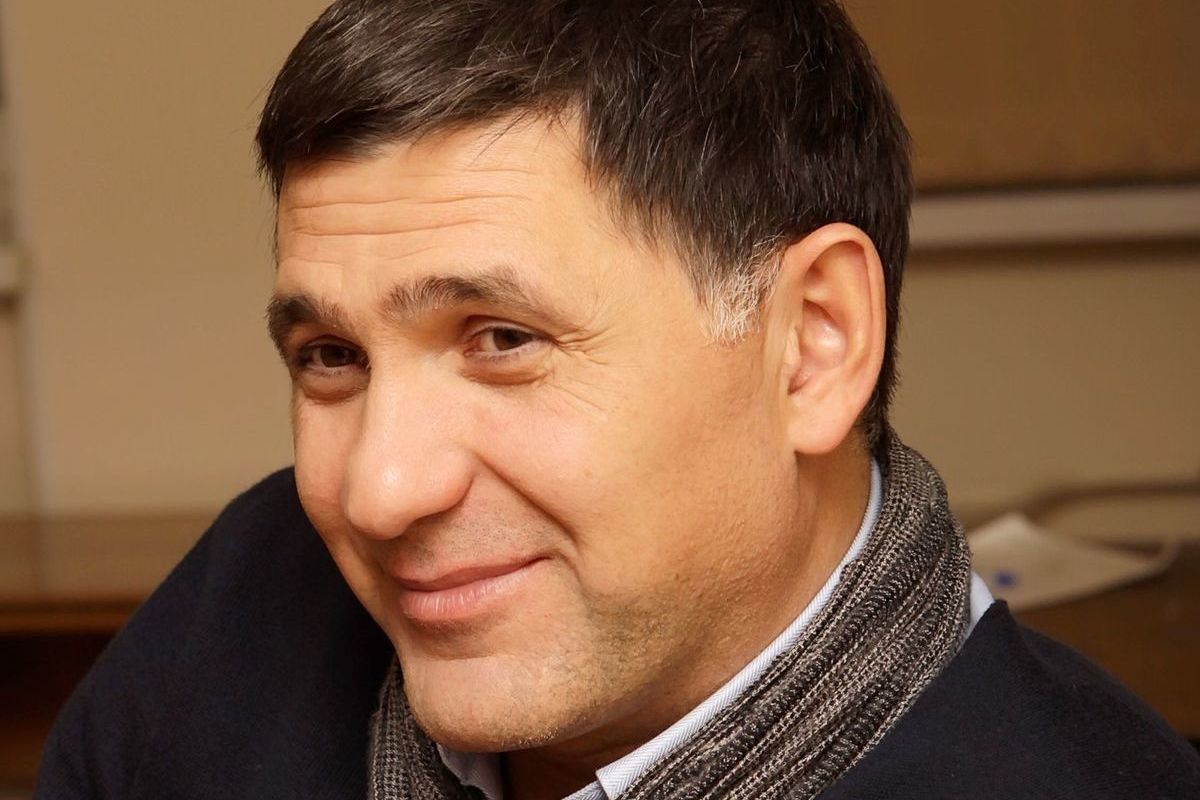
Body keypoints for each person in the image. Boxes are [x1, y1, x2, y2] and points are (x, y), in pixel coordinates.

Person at [34, 1, 1200, 798]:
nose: (379, 491)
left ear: (813, 343)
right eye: (332, 356)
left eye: (503, 339)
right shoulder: (245, 601)